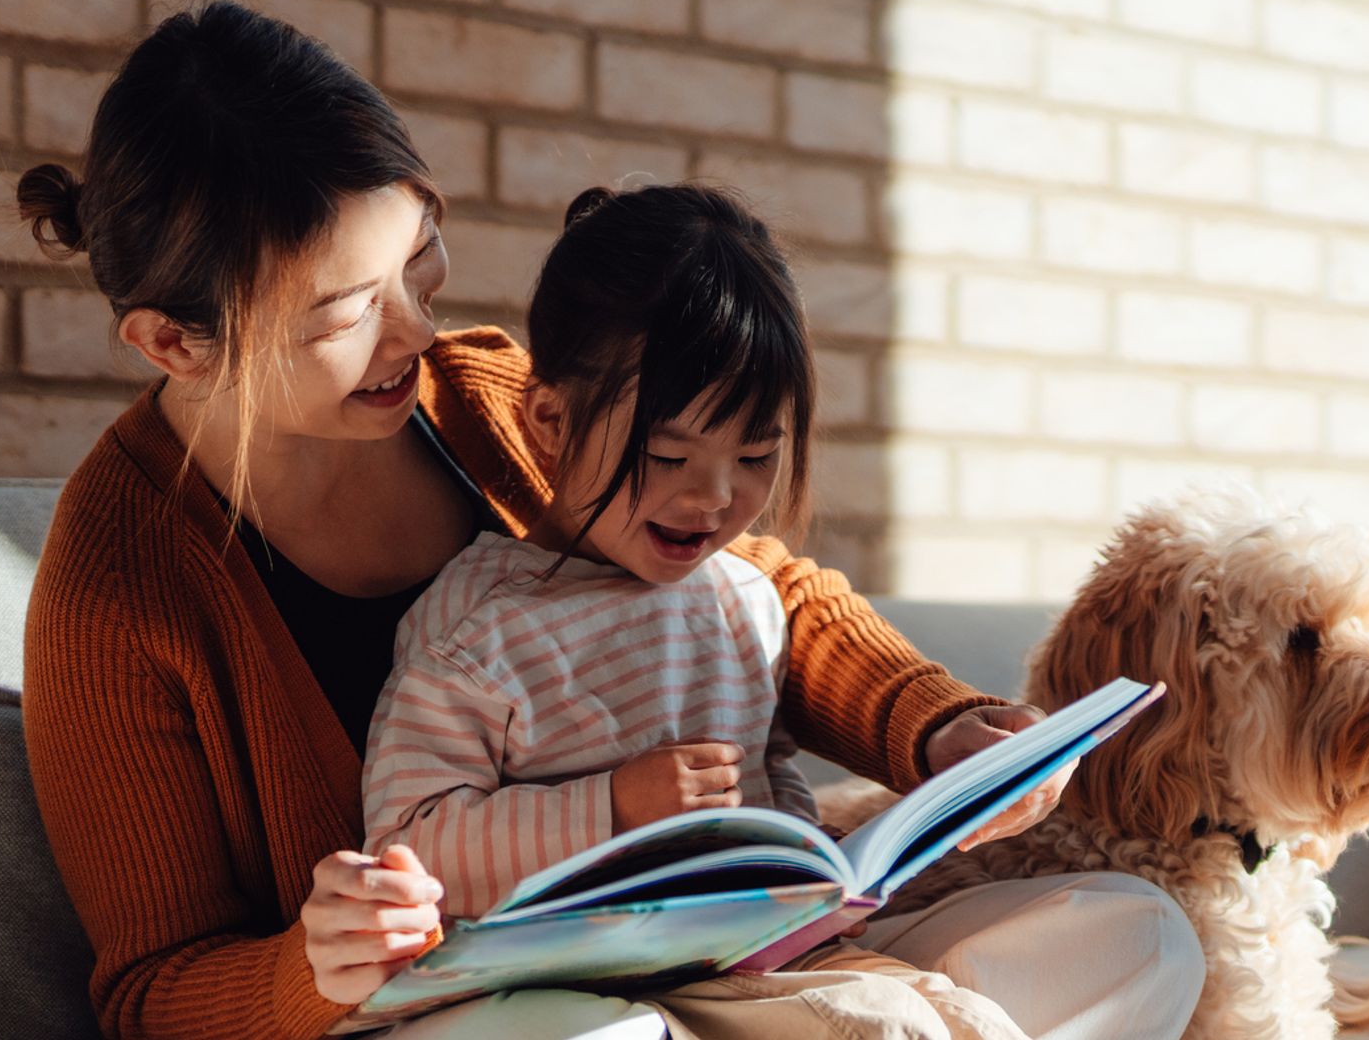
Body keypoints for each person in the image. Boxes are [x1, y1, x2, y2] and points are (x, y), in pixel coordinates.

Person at [18, 0, 1203, 1040]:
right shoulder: (117, 592)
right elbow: (150, 989)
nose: (416, 334)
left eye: (419, 268)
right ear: (173, 341)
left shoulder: (483, 397)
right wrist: (314, 971)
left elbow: (743, 583)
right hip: (478, 1017)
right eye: (342, 313)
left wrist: (936, 731)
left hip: (722, 961)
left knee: (1135, 937)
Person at [362, 182, 1025, 1038]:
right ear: (551, 425)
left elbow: (770, 776)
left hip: (747, 968)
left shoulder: (745, 601)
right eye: (669, 453)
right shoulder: (478, 629)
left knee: (1130, 926)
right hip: (564, 1001)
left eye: (755, 455)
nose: (712, 497)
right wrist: (613, 807)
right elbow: (406, 850)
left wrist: (821, 880)